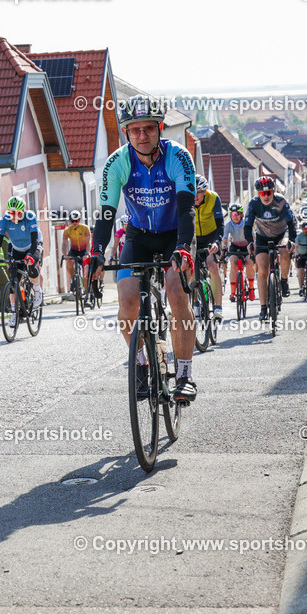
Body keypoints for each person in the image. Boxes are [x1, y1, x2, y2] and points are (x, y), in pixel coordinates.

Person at [90, 95, 198, 402]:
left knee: (176, 292)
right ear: (126, 132)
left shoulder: (178, 157)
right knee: (126, 302)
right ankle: (140, 365)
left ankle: (184, 374)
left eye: (148, 128)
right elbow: (107, 213)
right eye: (134, 129)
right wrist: (97, 251)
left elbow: (186, 209)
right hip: (138, 235)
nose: (142, 135)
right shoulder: (117, 162)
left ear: (160, 128)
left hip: (174, 233)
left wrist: (182, 249)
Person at [245, 176, 296, 320]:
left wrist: (291, 240)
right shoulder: (254, 204)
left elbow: (291, 223)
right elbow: (248, 225)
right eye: (262, 193)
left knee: (285, 250)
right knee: (262, 270)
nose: (266, 196)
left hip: (281, 234)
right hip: (262, 237)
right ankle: (263, 307)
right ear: (258, 193)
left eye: (269, 193)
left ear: (273, 191)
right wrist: (250, 242)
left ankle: (284, 281)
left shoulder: (280, 202)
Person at [193, 174, 225, 320]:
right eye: (192, 192)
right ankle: (195, 303)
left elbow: (220, 225)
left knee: (212, 265)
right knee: (190, 269)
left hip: (211, 236)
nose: (195, 196)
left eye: (198, 192)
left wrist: (216, 242)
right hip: (193, 237)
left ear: (204, 191)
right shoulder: (185, 199)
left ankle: (218, 307)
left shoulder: (213, 198)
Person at [222, 204, 255, 301]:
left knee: (249, 263)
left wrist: (253, 247)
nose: (235, 216)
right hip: (235, 247)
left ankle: (251, 288)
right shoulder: (228, 225)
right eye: (232, 214)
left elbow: (253, 238)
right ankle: (233, 293)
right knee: (233, 264)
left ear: (241, 214)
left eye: (237, 214)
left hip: (246, 246)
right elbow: (225, 239)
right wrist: (224, 247)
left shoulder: (246, 224)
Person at [62, 213, 92, 294]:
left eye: (76, 220)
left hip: (84, 250)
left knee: (86, 271)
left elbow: (89, 241)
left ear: (79, 220)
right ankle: (73, 280)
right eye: (72, 221)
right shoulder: (67, 230)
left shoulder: (85, 228)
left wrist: (87, 253)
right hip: (74, 250)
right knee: (69, 262)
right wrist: (65, 254)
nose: (74, 223)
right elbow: (64, 243)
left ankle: (87, 292)